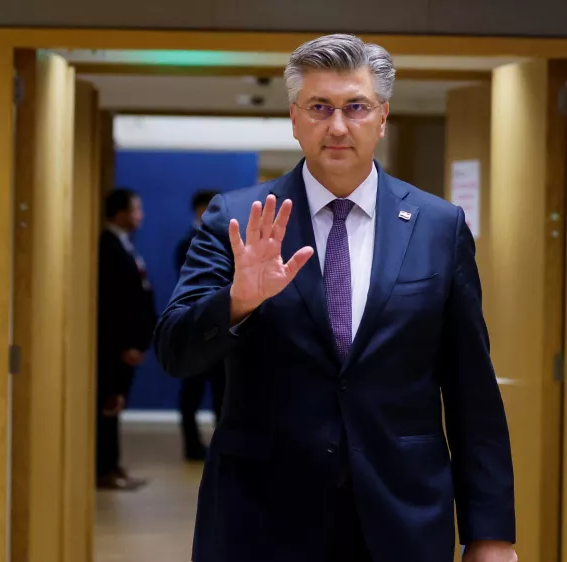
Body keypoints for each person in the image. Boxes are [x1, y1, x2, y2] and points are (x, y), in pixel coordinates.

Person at [154, 34, 517, 562]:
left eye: (356, 107)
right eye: (320, 107)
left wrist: (490, 532)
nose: (339, 126)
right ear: (295, 117)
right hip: (261, 518)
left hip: (403, 516)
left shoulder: (438, 226)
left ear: (383, 116)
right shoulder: (237, 218)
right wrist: (237, 302)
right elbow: (174, 351)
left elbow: (472, 391)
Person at [96, 188, 157, 491]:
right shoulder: (107, 247)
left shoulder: (125, 245)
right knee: (109, 403)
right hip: (116, 348)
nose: (139, 216)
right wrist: (126, 344)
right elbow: (113, 305)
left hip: (130, 343)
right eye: (135, 209)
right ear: (118, 212)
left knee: (117, 404)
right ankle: (104, 468)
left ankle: (113, 465)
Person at [174, 189, 227, 461]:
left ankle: (223, 442)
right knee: (192, 390)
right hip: (195, 327)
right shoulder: (189, 242)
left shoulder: (223, 240)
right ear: (200, 210)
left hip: (221, 327)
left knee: (223, 388)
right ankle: (191, 445)